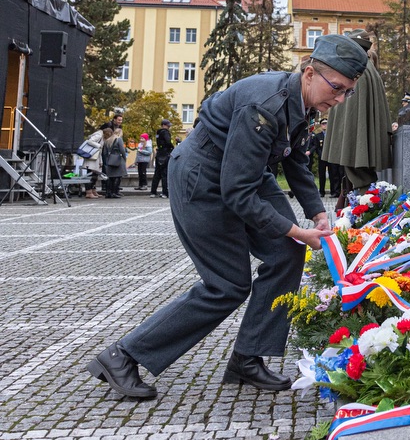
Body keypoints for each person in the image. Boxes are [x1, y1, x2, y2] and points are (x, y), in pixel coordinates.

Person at [87, 34, 367, 400]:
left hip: (246, 172)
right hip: (201, 177)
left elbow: (295, 160)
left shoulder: (303, 98)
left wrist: (317, 213)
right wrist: (295, 228)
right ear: (311, 73)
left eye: (348, 91)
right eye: (338, 88)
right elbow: (238, 192)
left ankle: (247, 358)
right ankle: (122, 355)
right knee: (227, 284)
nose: (341, 99)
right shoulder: (263, 105)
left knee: (286, 252)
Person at [321, 30, 393, 200]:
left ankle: (365, 205)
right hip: (358, 133)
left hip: (355, 133)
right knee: (358, 173)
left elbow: (352, 110)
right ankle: (364, 202)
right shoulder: (365, 67)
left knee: (359, 173)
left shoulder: (358, 68)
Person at [82, 123, 107, 199]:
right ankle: (89, 192)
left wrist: (101, 161)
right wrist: (98, 145)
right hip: (91, 158)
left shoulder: (101, 135)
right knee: (90, 175)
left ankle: (93, 190)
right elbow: (90, 141)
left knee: (94, 175)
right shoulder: (99, 135)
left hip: (95, 158)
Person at [149, 120, 173, 198]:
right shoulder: (165, 132)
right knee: (164, 174)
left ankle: (153, 191)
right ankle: (165, 193)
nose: (169, 127)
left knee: (157, 174)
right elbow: (168, 142)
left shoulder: (158, 133)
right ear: (163, 125)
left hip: (159, 153)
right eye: (167, 125)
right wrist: (172, 147)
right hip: (165, 154)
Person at [103, 127, 128, 198]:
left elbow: (104, 153)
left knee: (110, 177)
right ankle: (115, 192)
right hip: (117, 159)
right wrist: (124, 158)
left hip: (109, 160)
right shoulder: (118, 139)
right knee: (118, 176)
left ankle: (108, 192)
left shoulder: (108, 140)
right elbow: (122, 150)